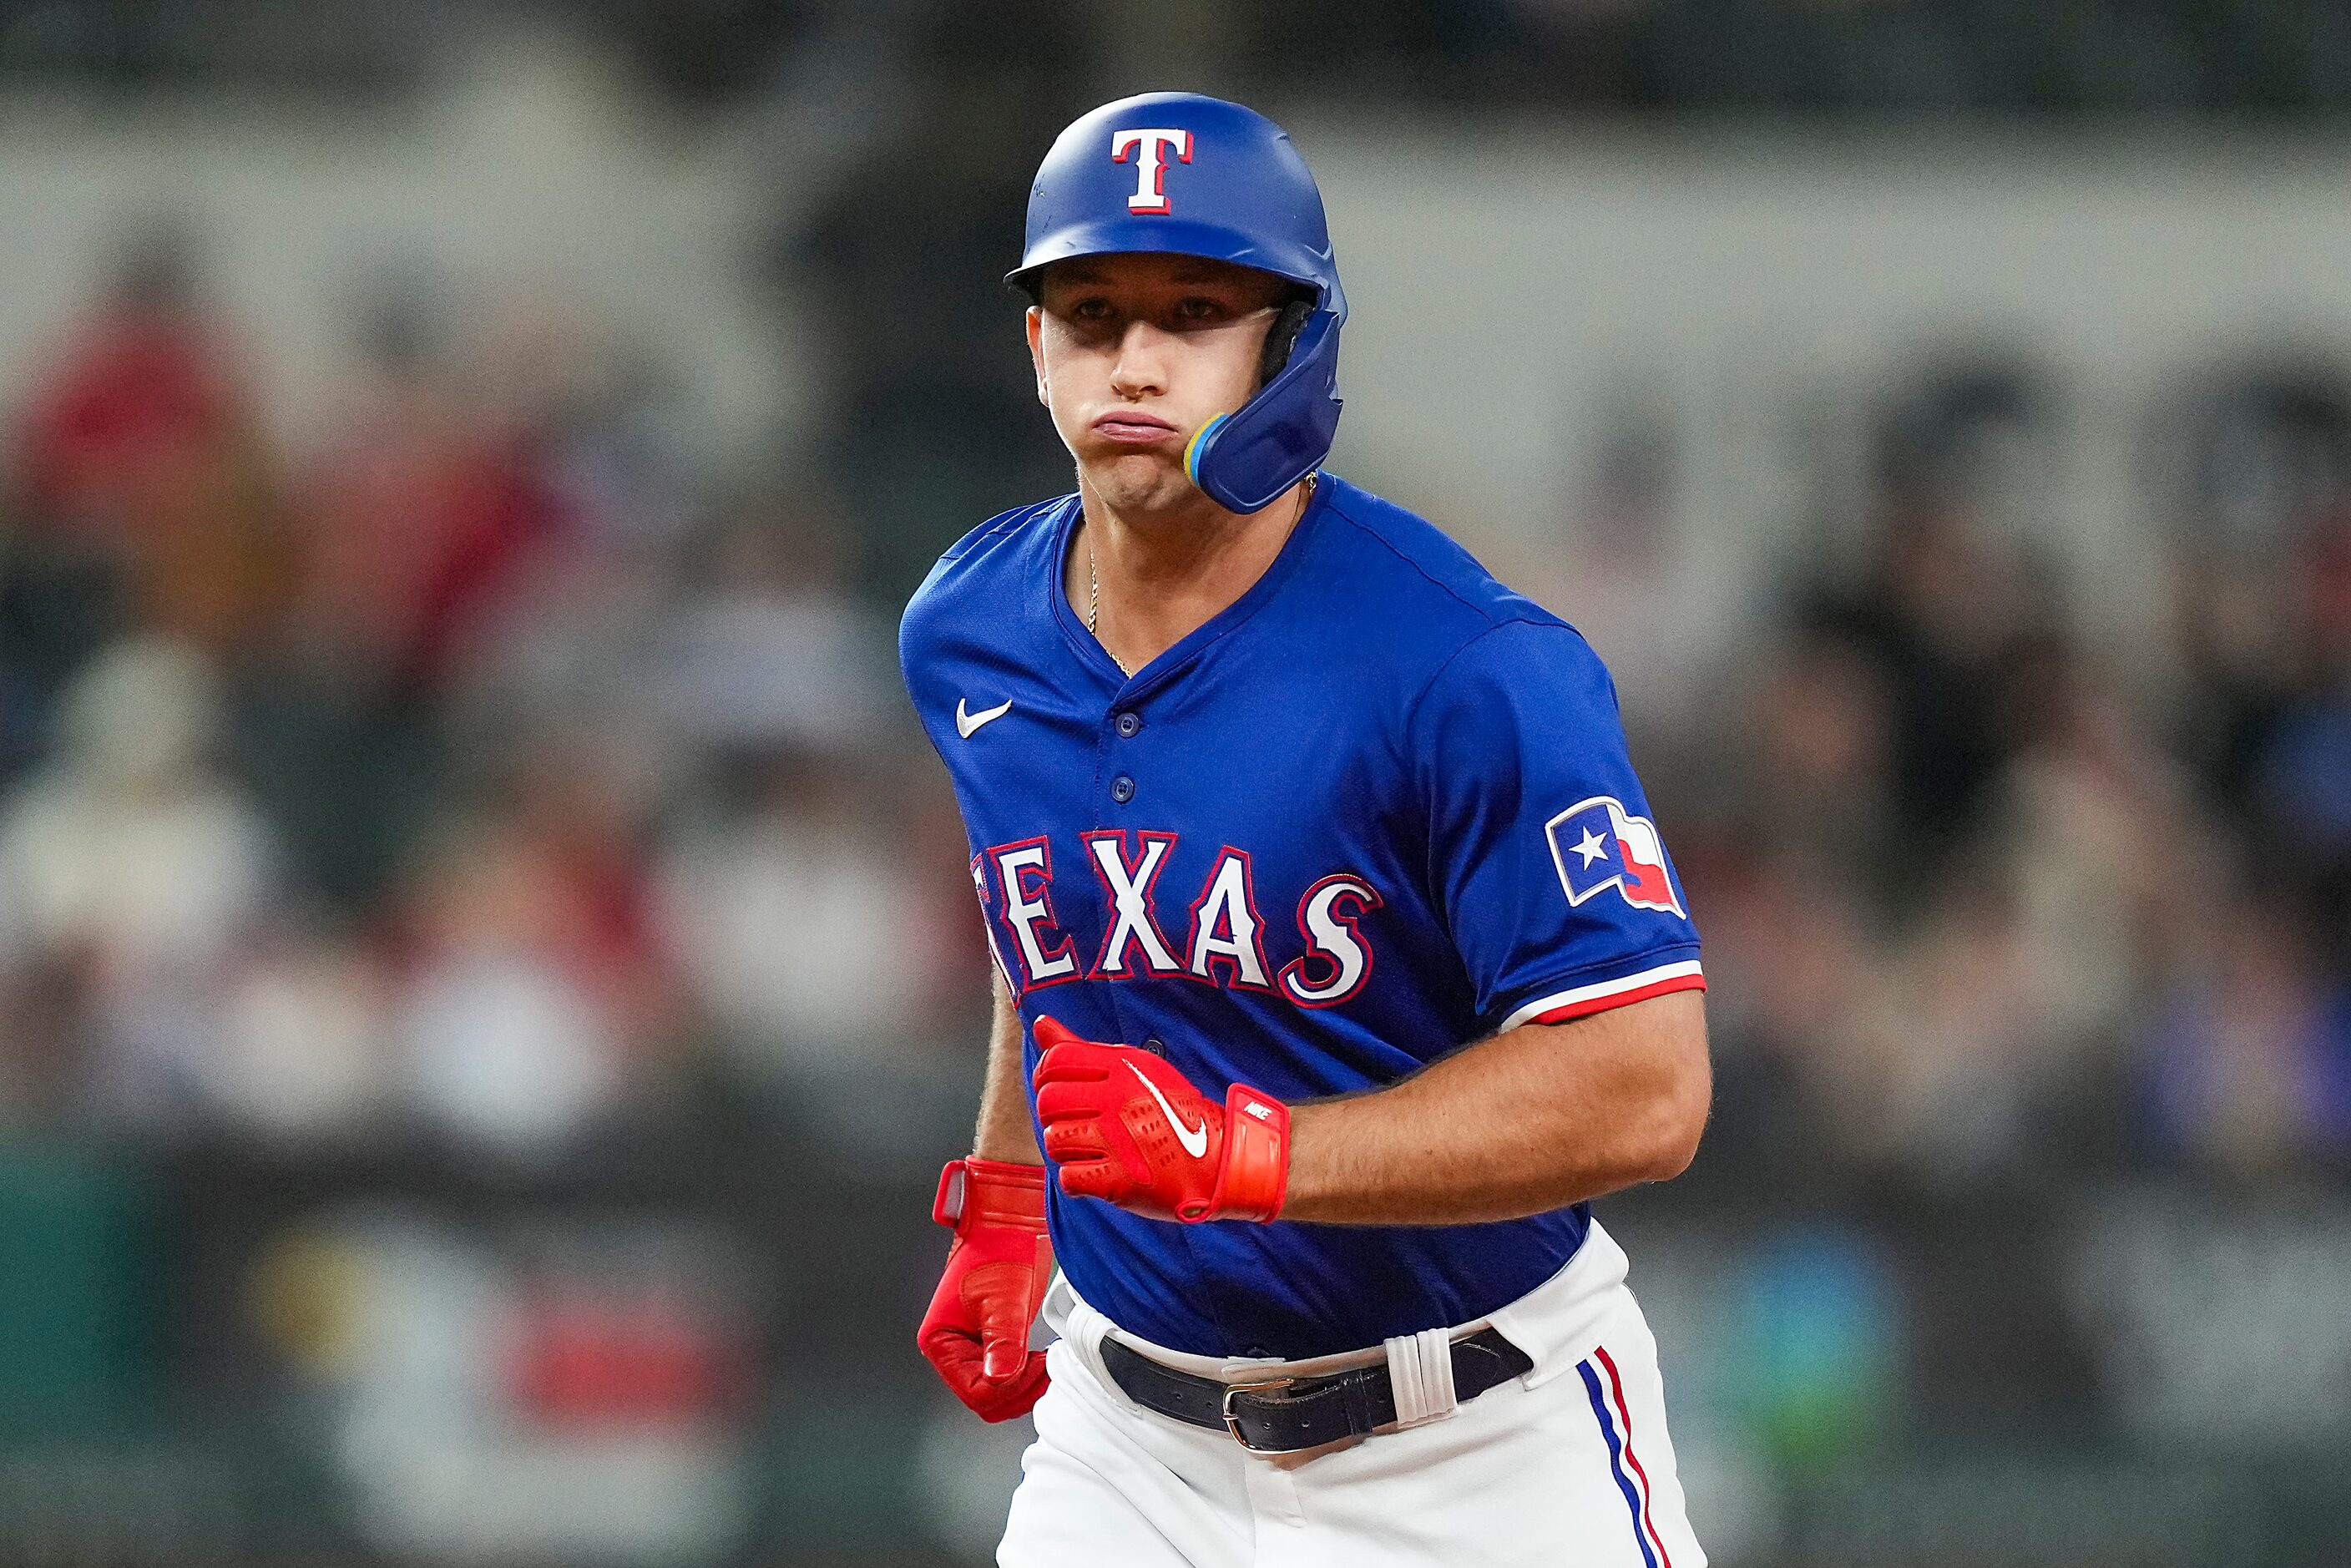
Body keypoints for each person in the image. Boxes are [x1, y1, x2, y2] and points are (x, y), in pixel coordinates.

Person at [900, 93, 1711, 1566]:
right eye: (1090, 313)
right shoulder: (969, 627)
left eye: (1194, 309)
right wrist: (1012, 1190)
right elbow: (1056, 926)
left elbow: (1646, 1087)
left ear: (1290, 346)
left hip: (1472, 1439)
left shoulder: (1463, 664)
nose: (1132, 360)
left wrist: (1249, 1151)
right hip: (1128, 1445)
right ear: (1036, 348)